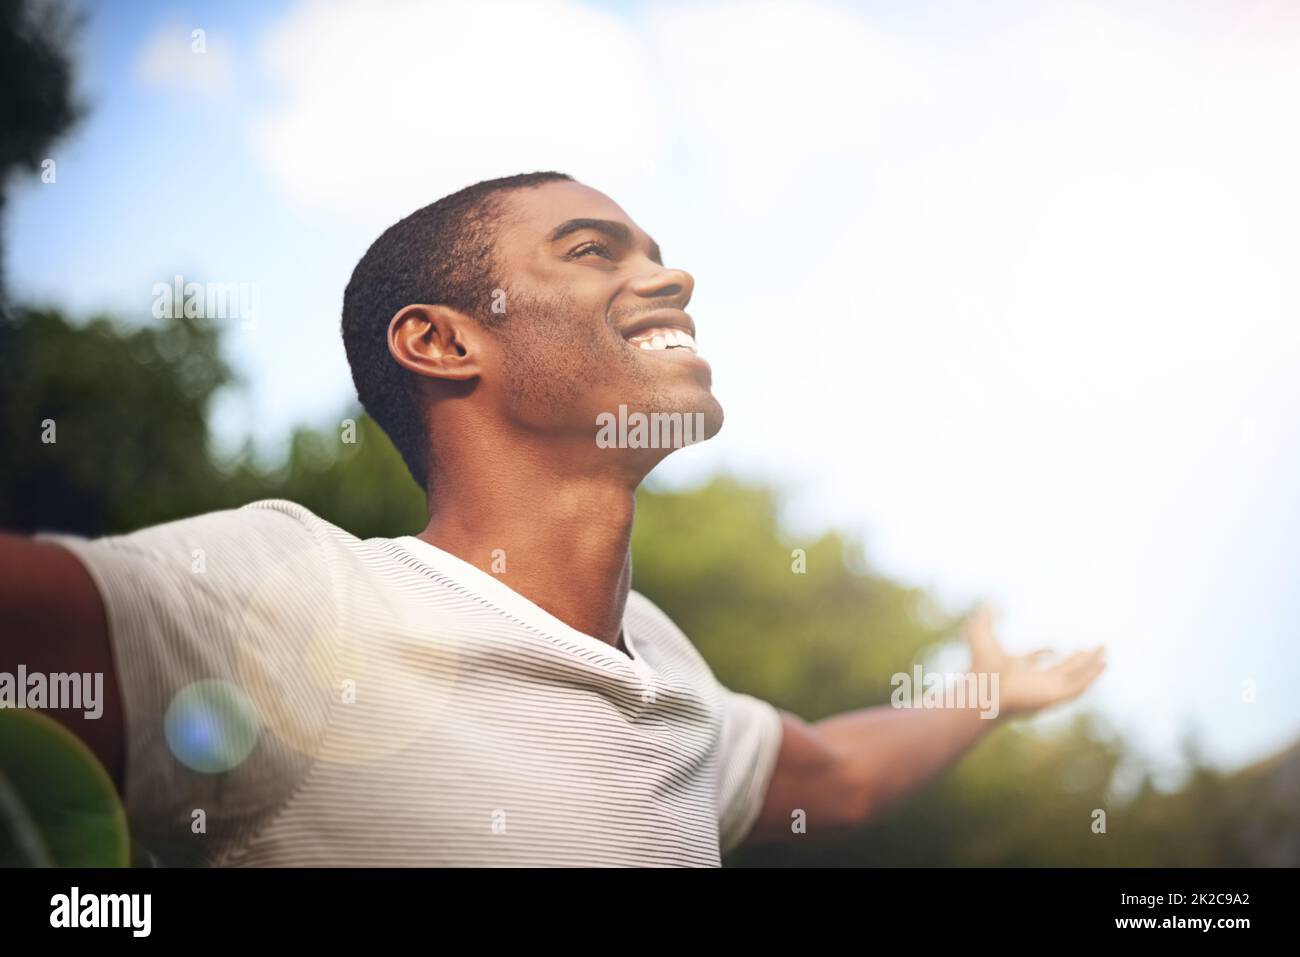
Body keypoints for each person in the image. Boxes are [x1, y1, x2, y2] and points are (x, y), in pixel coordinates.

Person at [0, 171, 1105, 866]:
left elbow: (844, 779)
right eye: (593, 250)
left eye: (654, 250)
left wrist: (984, 695)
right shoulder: (290, 601)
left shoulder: (663, 667)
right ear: (441, 342)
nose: (671, 277)